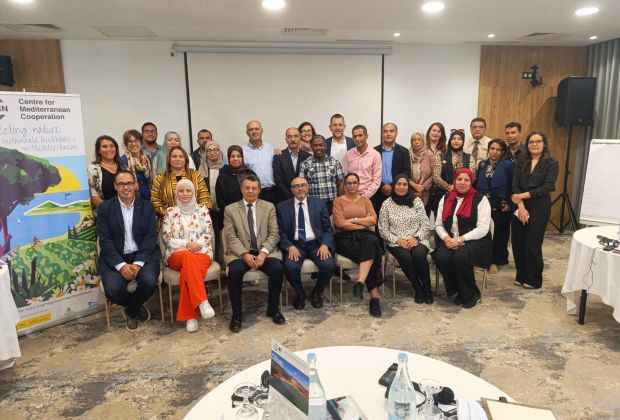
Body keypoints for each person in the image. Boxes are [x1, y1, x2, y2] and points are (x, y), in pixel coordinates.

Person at [96, 170, 161, 330]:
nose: (126, 187)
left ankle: (131, 310)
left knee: (149, 282)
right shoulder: (104, 209)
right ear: (115, 186)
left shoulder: (147, 207)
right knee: (113, 290)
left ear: (135, 185)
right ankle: (135, 306)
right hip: (116, 257)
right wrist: (121, 265)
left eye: (129, 183)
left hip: (143, 254)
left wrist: (138, 263)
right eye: (121, 184)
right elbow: (105, 240)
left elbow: (150, 237)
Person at [223, 175, 285, 332]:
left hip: (265, 251)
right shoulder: (230, 209)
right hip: (240, 253)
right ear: (241, 189)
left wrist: (263, 252)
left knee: (277, 269)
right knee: (235, 272)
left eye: (254, 188)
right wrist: (244, 254)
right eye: (247, 188)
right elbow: (230, 236)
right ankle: (237, 314)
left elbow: (274, 234)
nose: (251, 191)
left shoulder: (269, 207)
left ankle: (273, 309)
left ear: (259, 190)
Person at [432, 168, 492, 309]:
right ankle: (457, 289)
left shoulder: (481, 199)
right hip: (450, 238)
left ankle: (472, 294)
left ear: (471, 182)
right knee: (441, 256)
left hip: (475, 240)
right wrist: (446, 238)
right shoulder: (446, 198)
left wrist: (460, 240)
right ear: (454, 181)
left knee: (460, 257)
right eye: (459, 179)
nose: (462, 182)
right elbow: (438, 224)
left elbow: (483, 229)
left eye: (466, 180)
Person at [161, 179, 215, 333]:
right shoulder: (170, 212)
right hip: (177, 254)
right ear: (176, 193)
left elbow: (208, 233)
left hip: (202, 252)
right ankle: (202, 301)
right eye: (181, 190)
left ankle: (191, 317)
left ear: (193, 192)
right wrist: (186, 244)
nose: (185, 194)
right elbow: (167, 237)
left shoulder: (203, 210)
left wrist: (196, 245)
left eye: (188, 190)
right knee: (187, 257)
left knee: (188, 270)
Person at [277, 177, 335, 309]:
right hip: (295, 244)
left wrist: (325, 244)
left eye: (303, 185)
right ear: (292, 190)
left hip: (316, 244)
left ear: (308, 187)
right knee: (290, 267)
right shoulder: (282, 207)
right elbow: (279, 232)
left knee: (328, 265)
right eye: (296, 186)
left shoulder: (319, 203)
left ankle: (317, 292)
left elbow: (328, 228)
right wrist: (289, 246)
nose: (300, 188)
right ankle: (300, 293)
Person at [511, 131, 559, 289]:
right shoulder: (521, 161)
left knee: (532, 242)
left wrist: (521, 196)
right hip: (520, 205)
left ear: (544, 144)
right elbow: (515, 185)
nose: (534, 144)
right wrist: (520, 206)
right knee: (518, 241)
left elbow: (548, 187)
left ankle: (534, 279)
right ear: (527, 144)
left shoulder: (551, 163)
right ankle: (521, 275)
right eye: (531, 142)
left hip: (539, 205)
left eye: (538, 141)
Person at [333, 173, 384, 317]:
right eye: (349, 183)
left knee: (371, 241)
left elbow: (373, 220)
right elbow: (340, 223)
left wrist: (353, 220)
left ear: (358, 184)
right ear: (344, 185)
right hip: (344, 238)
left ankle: (360, 283)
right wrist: (362, 222)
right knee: (371, 254)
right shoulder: (338, 201)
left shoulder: (365, 199)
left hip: (365, 236)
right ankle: (374, 299)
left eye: (354, 182)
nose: (351, 186)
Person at [378, 174, 433, 304]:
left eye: (404, 184)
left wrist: (416, 238)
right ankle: (418, 289)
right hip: (396, 241)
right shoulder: (386, 204)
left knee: (419, 255)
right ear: (394, 186)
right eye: (399, 184)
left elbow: (425, 224)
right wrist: (398, 240)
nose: (401, 187)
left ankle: (427, 290)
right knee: (406, 257)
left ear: (408, 187)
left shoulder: (416, 201)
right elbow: (382, 229)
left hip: (417, 238)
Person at [474, 139, 514, 274]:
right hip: (483, 203)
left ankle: (496, 261)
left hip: (501, 204)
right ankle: (483, 259)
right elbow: (477, 184)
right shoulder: (482, 164)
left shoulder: (507, 165)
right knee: (484, 231)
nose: (495, 152)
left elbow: (511, 185)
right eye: (492, 149)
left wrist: (508, 202)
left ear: (502, 152)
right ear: (489, 150)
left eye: (498, 149)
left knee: (499, 233)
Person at [150, 145, 211, 226]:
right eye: (174, 156)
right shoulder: (160, 178)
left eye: (181, 157)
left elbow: (204, 198)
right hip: (169, 222)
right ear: (169, 160)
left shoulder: (196, 175)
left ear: (186, 159)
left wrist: (198, 214)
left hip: (194, 222)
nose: (177, 159)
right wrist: (165, 213)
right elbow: (154, 200)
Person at [299, 135, 345, 215]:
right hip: (313, 204)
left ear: (325, 146)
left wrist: (340, 201)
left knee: (332, 223)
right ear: (311, 147)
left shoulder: (335, 162)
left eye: (321, 145)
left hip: (332, 203)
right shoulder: (305, 164)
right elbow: (302, 185)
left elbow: (341, 182)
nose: (318, 148)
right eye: (315, 145)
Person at [372, 123, 411, 216]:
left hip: (397, 192)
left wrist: (392, 185)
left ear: (396, 133)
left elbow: (406, 172)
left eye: (391, 131)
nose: (388, 134)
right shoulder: (374, 151)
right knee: (378, 220)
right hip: (378, 192)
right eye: (385, 131)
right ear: (382, 134)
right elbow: (371, 172)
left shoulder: (404, 151)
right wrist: (382, 186)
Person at [432, 129, 474, 212]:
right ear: (450, 140)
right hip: (443, 194)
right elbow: (436, 176)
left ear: (463, 141)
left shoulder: (469, 157)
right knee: (441, 218)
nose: (456, 141)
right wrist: (449, 187)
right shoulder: (440, 156)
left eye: (459, 139)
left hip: (463, 196)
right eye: (454, 139)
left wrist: (459, 187)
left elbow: (472, 176)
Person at [215, 145, 257, 228]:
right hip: (231, 218)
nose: (236, 159)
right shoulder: (222, 176)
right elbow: (220, 201)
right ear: (228, 158)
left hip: (250, 215)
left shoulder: (250, 173)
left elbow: (257, 193)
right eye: (232, 156)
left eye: (239, 156)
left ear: (242, 157)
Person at [242, 120, 277, 203]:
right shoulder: (242, 151)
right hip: (254, 193)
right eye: (251, 130)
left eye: (257, 129)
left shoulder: (271, 148)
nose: (254, 132)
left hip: (274, 192)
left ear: (262, 131)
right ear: (247, 133)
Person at [273, 127, 311, 202]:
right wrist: (291, 198)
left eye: (296, 136)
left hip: (304, 198)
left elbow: (309, 179)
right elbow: (278, 180)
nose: (293, 139)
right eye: (290, 137)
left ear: (300, 138)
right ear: (286, 139)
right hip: (284, 199)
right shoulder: (278, 157)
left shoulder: (308, 156)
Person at [344, 125, 382, 198]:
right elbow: (345, 177)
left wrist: (365, 196)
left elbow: (376, 180)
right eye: (355, 136)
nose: (357, 139)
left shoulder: (375, 155)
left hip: (369, 197)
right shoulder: (348, 155)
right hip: (351, 196)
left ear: (366, 136)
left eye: (360, 135)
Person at [88, 135, 125, 209]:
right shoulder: (92, 170)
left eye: (112, 146)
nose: (109, 149)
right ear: (98, 150)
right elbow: (94, 197)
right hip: (106, 211)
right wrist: (112, 211)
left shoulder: (124, 167)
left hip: (127, 210)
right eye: (104, 146)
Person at [120, 129, 152, 200]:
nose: (133, 144)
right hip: (133, 198)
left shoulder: (147, 159)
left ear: (141, 143)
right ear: (126, 145)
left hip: (150, 196)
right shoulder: (122, 161)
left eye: (136, 140)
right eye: (130, 141)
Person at [408, 130, 435, 210]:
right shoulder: (407, 154)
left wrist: (423, 186)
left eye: (419, 139)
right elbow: (404, 173)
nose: (416, 142)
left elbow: (435, 174)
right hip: (409, 191)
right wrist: (414, 185)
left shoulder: (430, 155)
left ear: (424, 141)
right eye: (414, 140)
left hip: (426, 193)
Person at [425, 122, 448, 215]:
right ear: (429, 132)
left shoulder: (446, 149)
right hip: (424, 189)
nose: (436, 133)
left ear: (442, 134)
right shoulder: (421, 147)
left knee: (439, 218)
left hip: (440, 189)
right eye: (434, 130)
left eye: (439, 131)